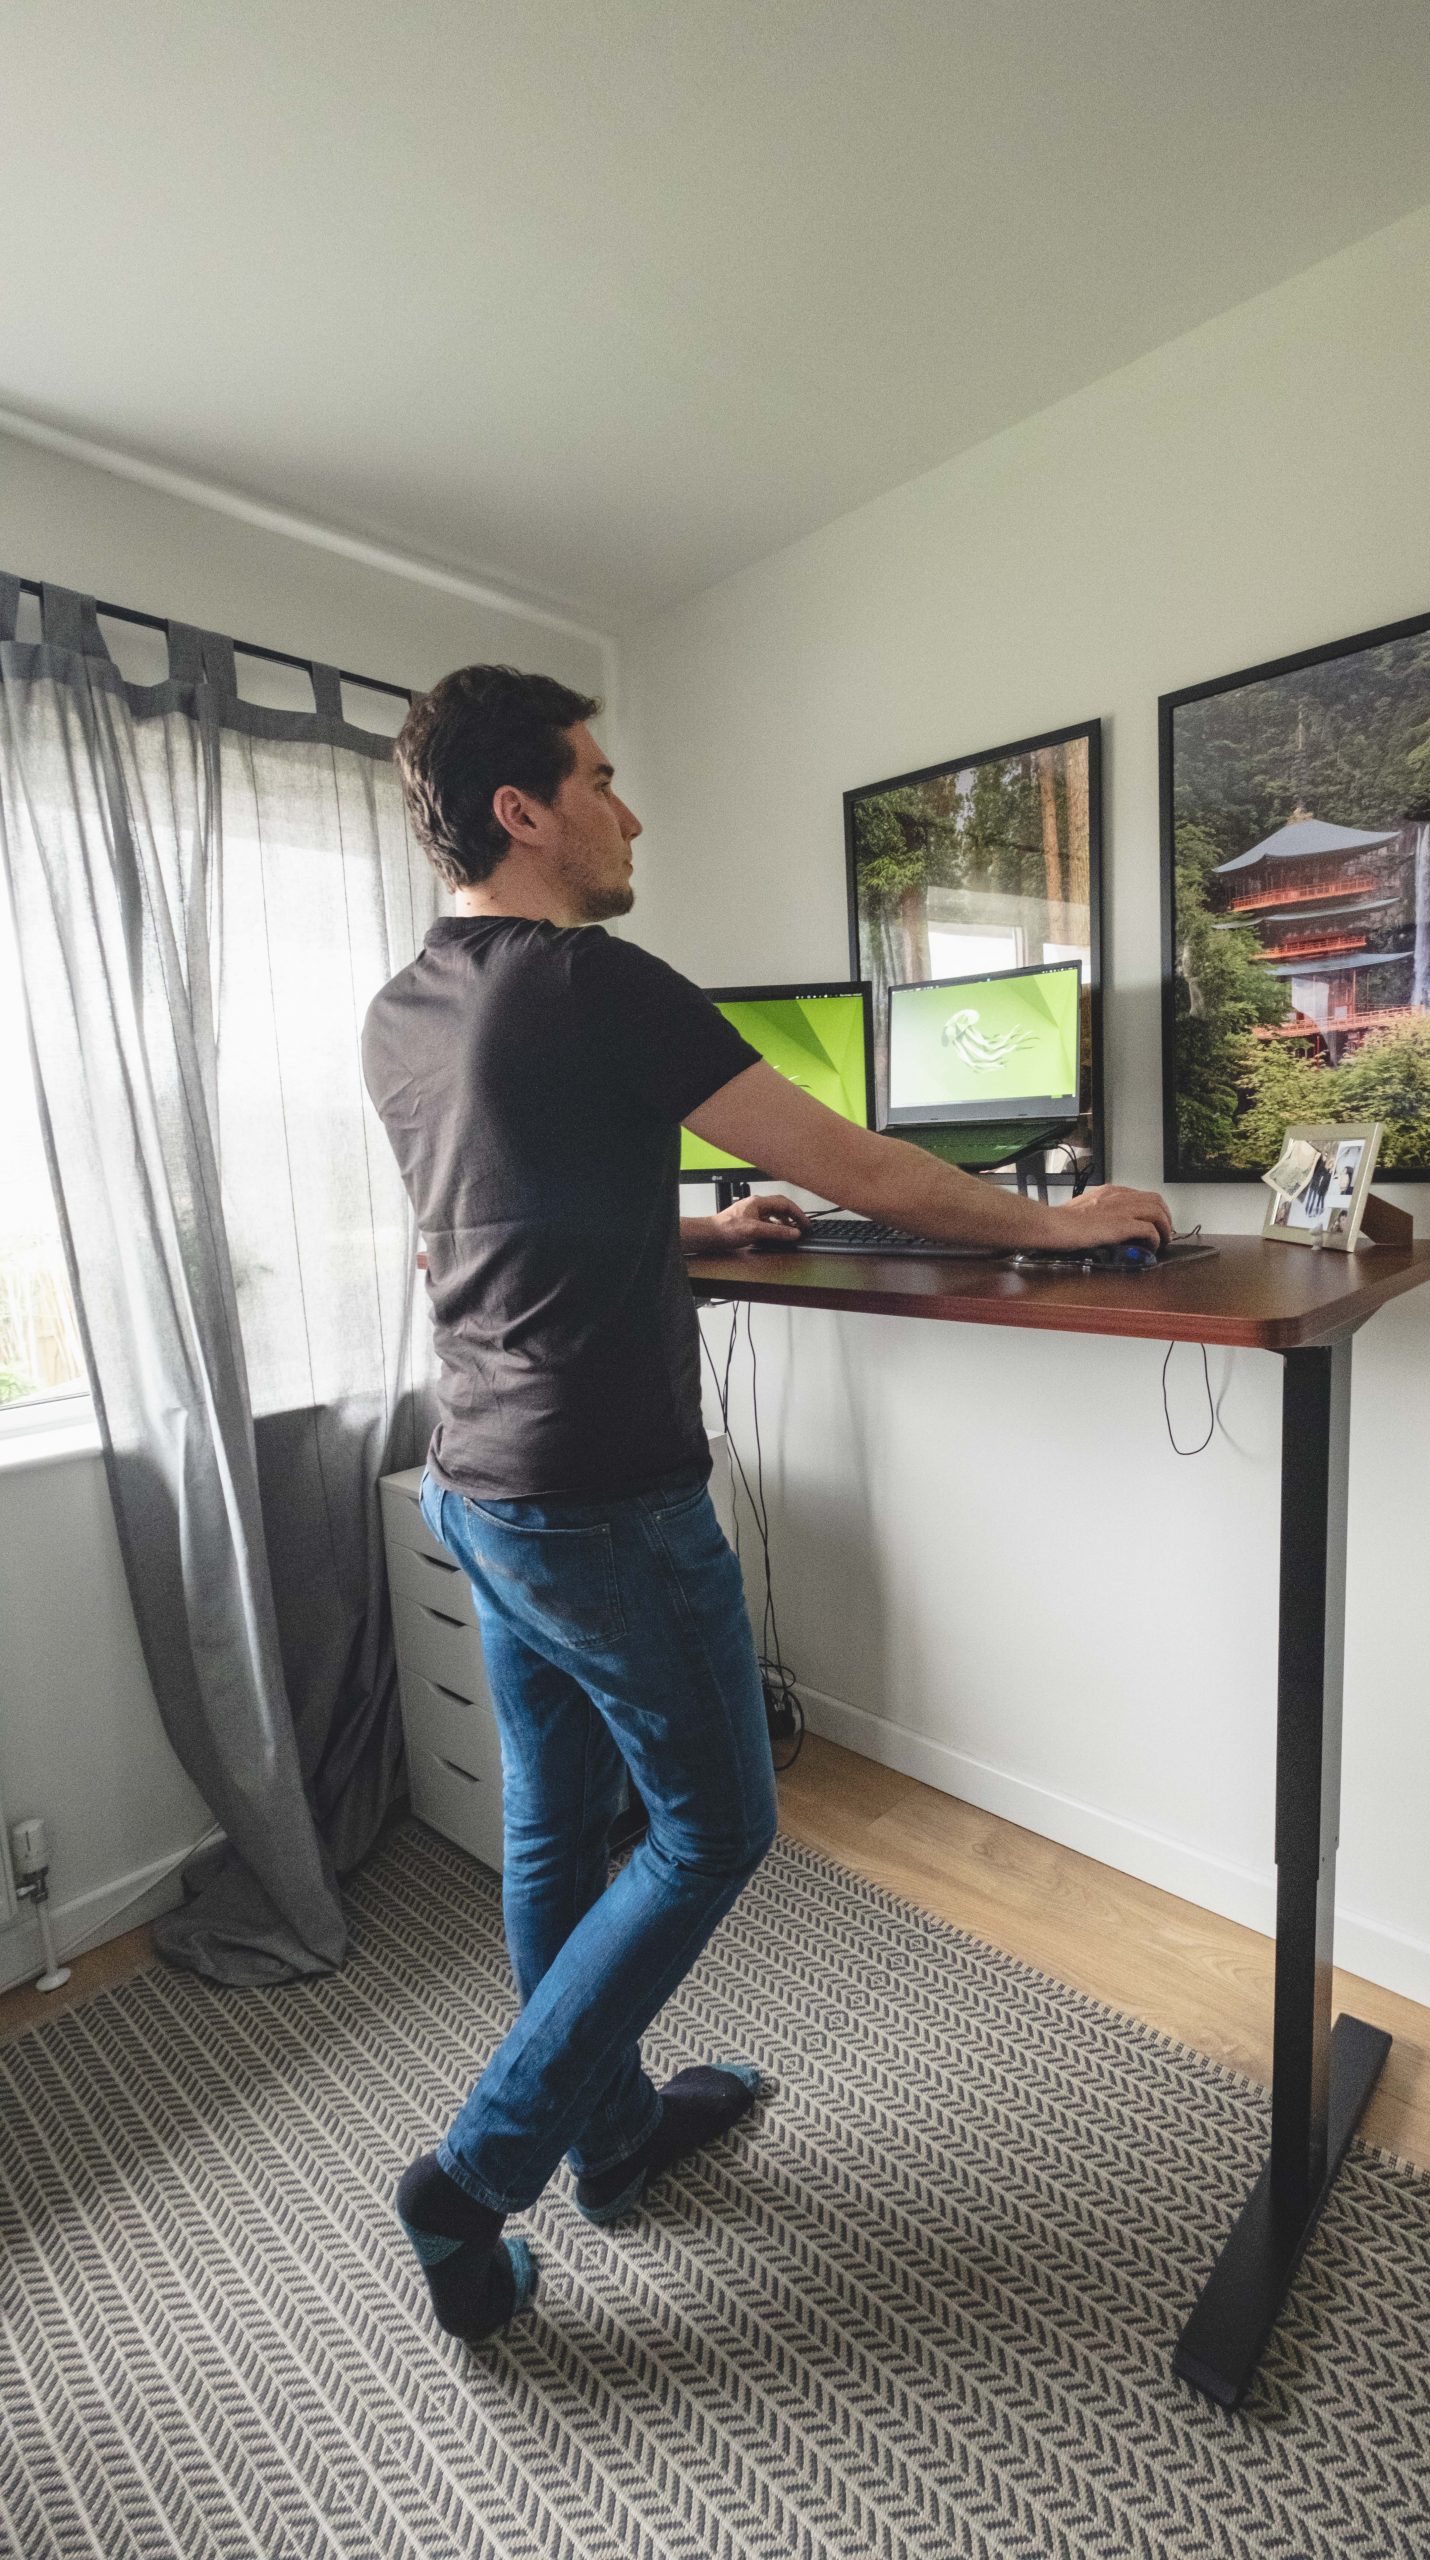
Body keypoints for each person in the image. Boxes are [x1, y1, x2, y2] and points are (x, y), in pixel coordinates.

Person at [360, 664, 1172, 2342]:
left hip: (483, 1481)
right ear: (524, 810)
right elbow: (867, 1164)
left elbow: (487, 1233)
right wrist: (1070, 1223)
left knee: (551, 1825)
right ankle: (476, 2173)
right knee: (714, 1828)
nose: (629, 808)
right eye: (602, 777)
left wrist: (704, 1235)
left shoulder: (404, 1009)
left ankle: (616, 2130)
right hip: (601, 1491)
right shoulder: (596, 982)